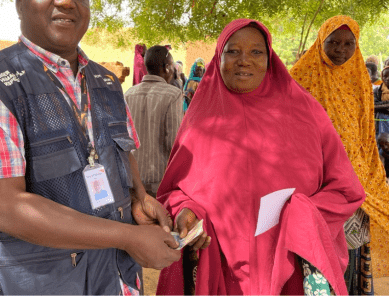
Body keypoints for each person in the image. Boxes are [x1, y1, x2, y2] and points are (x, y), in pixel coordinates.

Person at [0, 0, 180, 295]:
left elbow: (121, 159)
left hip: (114, 278)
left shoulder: (107, 83)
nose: (66, 1)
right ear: (21, 4)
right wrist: (127, 236)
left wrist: (137, 201)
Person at [156, 18, 365, 295]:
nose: (244, 61)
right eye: (233, 51)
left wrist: (303, 214)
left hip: (290, 268)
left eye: (256, 52)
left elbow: (345, 190)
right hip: (220, 269)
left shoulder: (306, 113)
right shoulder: (199, 120)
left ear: (270, 59)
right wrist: (187, 210)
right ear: (218, 57)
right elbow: (173, 191)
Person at [290, 15, 389, 295]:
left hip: (355, 181)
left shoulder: (360, 81)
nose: (341, 50)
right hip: (314, 183)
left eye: (349, 44)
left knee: (352, 252)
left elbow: (366, 135)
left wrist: (372, 176)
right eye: (334, 42)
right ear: (322, 41)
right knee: (317, 258)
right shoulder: (299, 77)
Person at [125, 45, 183, 197]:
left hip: (132, 179)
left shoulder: (129, 94)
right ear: (167, 68)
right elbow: (174, 142)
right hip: (159, 181)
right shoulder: (173, 94)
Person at [374, 66, 389, 137]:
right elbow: (373, 105)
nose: (388, 78)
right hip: (382, 122)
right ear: (382, 78)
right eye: (385, 76)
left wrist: (383, 106)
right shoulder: (377, 91)